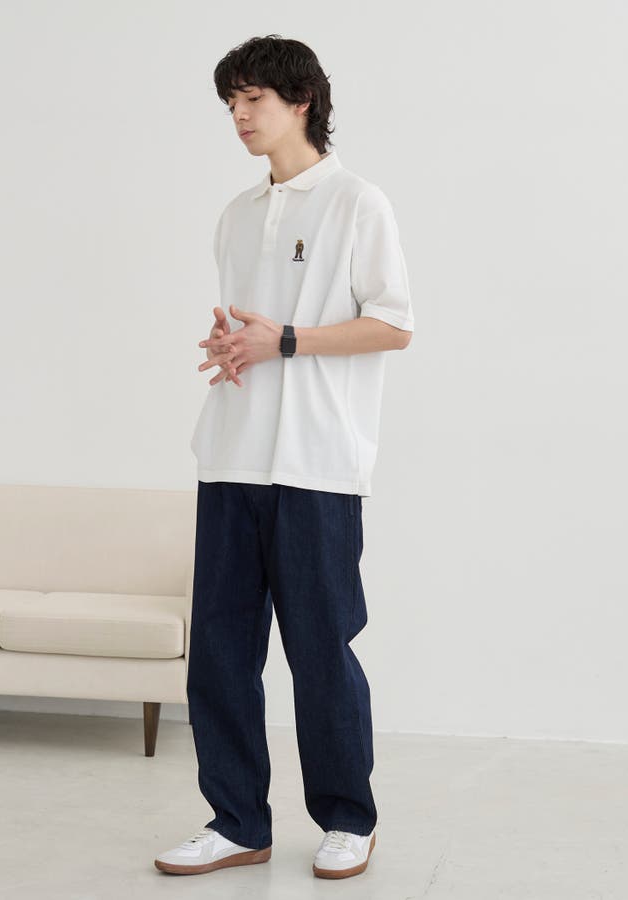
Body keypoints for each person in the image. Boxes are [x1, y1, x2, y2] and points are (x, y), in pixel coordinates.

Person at [154, 34, 414, 880]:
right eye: (230, 103)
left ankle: (348, 818)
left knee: (320, 649)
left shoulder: (357, 203)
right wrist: (236, 346)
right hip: (231, 456)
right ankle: (237, 821)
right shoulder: (235, 215)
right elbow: (255, 329)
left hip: (318, 464)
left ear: (301, 100)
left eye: (252, 99)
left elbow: (394, 324)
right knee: (221, 653)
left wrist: (288, 339)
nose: (238, 115)